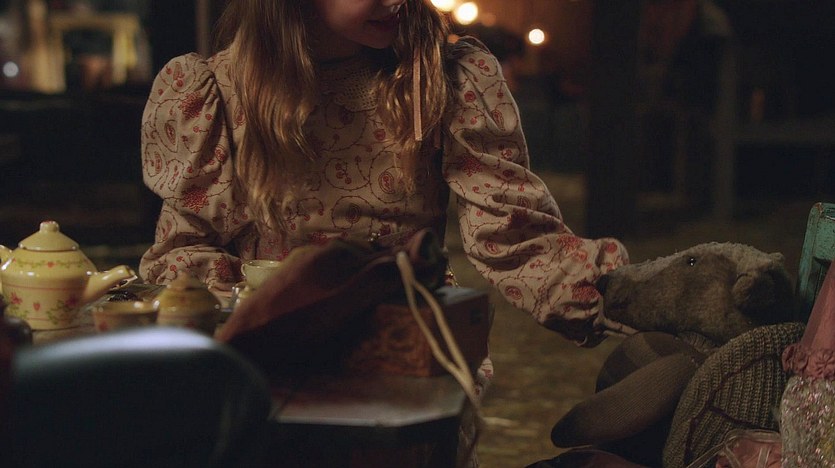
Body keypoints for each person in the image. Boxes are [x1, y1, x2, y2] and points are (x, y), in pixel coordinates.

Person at [139, 0, 629, 464]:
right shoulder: (219, 90)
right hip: (273, 355)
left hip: (405, 348)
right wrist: (249, 319)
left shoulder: (440, 77)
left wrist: (628, 295)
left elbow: (514, 235)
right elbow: (187, 250)